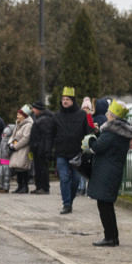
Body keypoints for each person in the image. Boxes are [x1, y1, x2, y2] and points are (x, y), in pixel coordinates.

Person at [86, 100, 132, 247]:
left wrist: (90, 137)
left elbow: (97, 147)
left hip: (106, 172)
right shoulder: (120, 132)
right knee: (107, 204)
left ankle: (110, 237)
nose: (106, 115)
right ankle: (113, 237)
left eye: (108, 113)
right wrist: (98, 132)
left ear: (113, 117)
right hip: (113, 170)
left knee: (104, 205)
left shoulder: (112, 132)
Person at [52, 87, 95, 215]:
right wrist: (50, 149)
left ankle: (69, 200)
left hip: (77, 153)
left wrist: (88, 148)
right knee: (64, 178)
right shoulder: (56, 116)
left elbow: (90, 132)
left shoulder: (83, 115)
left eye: (67, 99)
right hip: (61, 153)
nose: (65, 101)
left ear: (73, 101)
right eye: (63, 99)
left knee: (76, 180)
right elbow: (51, 134)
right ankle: (67, 204)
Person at [29, 100, 55, 195]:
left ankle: (44, 188)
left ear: (38, 109)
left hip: (41, 148)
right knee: (38, 168)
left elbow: (46, 136)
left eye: (34, 108)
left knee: (42, 168)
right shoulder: (37, 117)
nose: (32, 110)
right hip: (37, 147)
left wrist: (45, 149)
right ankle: (38, 187)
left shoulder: (45, 119)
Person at [9, 105, 33, 194]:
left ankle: (25, 187)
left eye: (19, 115)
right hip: (17, 149)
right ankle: (20, 186)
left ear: (25, 116)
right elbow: (14, 135)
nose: (17, 116)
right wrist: (10, 143)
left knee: (23, 169)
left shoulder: (28, 125)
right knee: (18, 168)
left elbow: (26, 138)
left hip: (23, 149)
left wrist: (15, 146)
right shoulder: (19, 124)